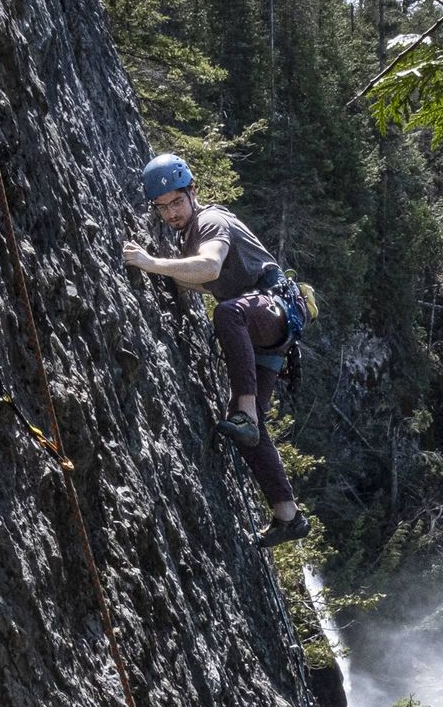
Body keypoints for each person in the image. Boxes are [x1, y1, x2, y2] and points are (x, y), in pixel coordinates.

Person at [123, 153, 311, 548]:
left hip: (266, 311)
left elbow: (208, 269)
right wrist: (170, 270)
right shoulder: (186, 233)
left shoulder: (211, 221)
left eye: (176, 202)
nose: (171, 213)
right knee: (250, 434)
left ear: (192, 193)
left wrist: (149, 263)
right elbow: (200, 279)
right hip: (264, 325)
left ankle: (244, 413)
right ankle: (288, 516)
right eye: (163, 207)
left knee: (228, 315)